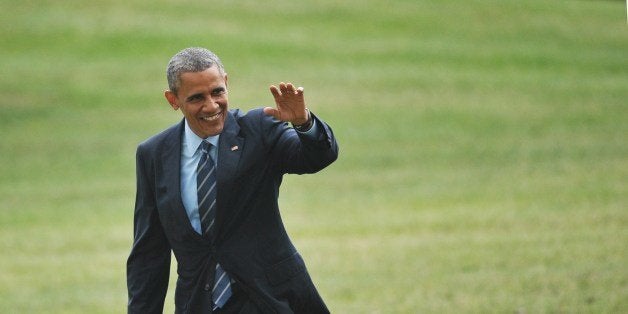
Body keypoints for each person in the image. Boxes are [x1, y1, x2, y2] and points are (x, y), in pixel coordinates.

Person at [126, 47, 339, 313]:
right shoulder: (154, 154)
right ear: (173, 99)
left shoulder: (258, 129)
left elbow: (316, 158)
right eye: (196, 98)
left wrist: (304, 124)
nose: (211, 105)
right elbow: (148, 254)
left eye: (217, 92)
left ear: (226, 82)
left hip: (271, 300)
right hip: (200, 304)